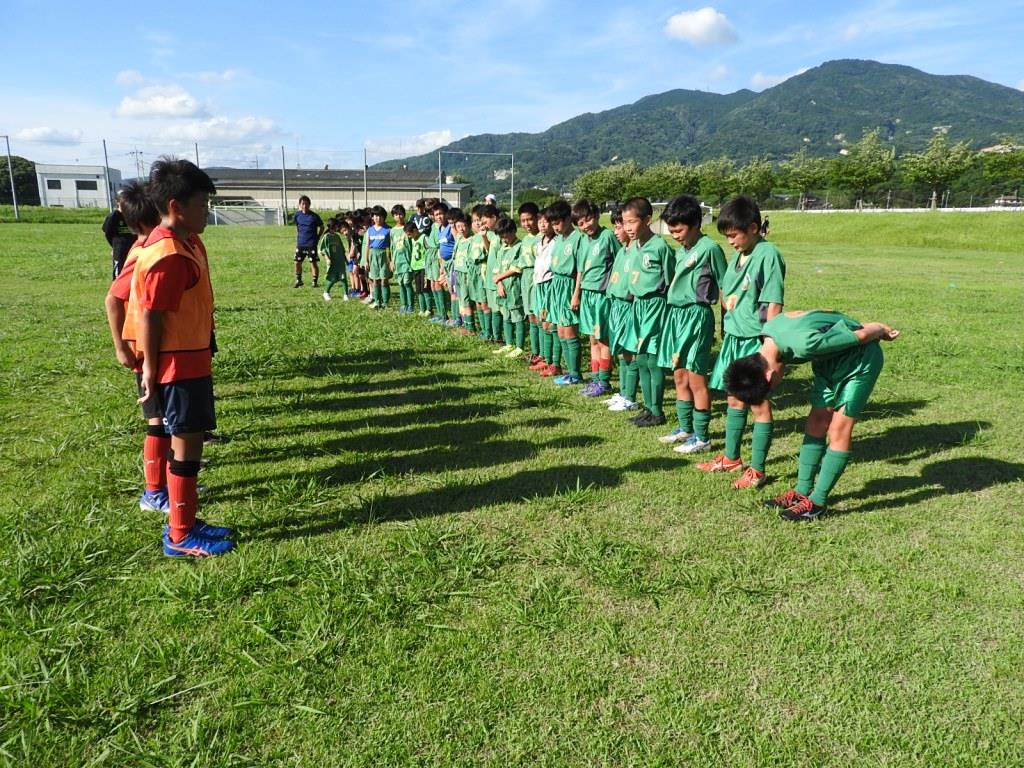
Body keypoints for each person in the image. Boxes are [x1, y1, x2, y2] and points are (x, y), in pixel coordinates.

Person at [122, 158, 233, 557]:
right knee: (187, 447)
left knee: (186, 442)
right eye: (201, 203)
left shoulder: (174, 242)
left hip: (189, 360)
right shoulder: (168, 254)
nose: (207, 211)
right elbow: (151, 314)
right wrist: (150, 369)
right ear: (175, 206)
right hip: (178, 365)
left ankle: (184, 521)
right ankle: (181, 535)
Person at [724, 310, 900, 520]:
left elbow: (861, 336)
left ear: (769, 375)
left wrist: (880, 328)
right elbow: (822, 318)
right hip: (827, 360)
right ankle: (801, 491)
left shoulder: (804, 345)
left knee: (838, 428)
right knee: (815, 422)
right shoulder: (770, 330)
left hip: (859, 362)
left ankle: (817, 502)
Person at [696, 195, 786, 489]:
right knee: (733, 398)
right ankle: (732, 458)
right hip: (734, 338)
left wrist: (770, 349)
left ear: (754, 227)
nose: (731, 242)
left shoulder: (768, 254)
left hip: (755, 341)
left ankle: (757, 470)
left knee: (757, 404)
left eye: (734, 235)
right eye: (727, 237)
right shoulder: (737, 256)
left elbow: (773, 304)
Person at [104, 181, 166, 511]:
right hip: (143, 349)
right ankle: (154, 493)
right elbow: (113, 299)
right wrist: (120, 347)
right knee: (157, 419)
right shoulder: (142, 251)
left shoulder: (152, 245)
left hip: (159, 345)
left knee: (166, 419)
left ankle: (167, 480)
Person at [656, 194, 727, 452]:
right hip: (676, 316)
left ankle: (703, 437)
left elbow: (725, 286)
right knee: (679, 375)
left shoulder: (710, 249)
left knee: (697, 378)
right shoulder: (682, 250)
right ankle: (685, 428)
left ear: (697, 223)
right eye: (671, 230)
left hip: (696, 316)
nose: (675, 235)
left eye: (679, 230)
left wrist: (725, 322)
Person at [618, 197, 675, 426]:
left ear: (647, 220)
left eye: (632, 222)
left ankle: (658, 411)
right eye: (624, 222)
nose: (628, 228)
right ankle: (648, 408)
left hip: (656, 306)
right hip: (638, 306)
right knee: (640, 359)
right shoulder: (635, 247)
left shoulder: (660, 247)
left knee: (653, 360)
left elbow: (671, 282)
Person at [574, 199, 621, 397]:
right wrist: (576, 293)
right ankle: (595, 379)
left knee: (603, 340)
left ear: (595, 216)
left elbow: (620, 261)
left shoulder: (608, 237)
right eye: (581, 224)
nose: (586, 227)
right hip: (587, 295)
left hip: (602, 295)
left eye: (588, 220)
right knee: (592, 339)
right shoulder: (583, 240)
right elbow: (580, 270)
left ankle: (604, 380)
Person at [545, 200, 586, 385]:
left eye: (558, 223)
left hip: (569, 286)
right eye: (552, 224)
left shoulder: (578, 239)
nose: (555, 227)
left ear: (569, 219)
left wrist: (576, 293)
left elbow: (580, 270)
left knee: (570, 332)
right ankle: (569, 372)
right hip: (557, 285)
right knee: (560, 331)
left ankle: (576, 374)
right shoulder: (558, 239)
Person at [603, 208, 640, 411]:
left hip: (628, 306)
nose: (617, 231)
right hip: (616, 305)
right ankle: (623, 392)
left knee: (629, 351)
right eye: (616, 227)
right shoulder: (622, 250)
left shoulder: (637, 250)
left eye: (620, 227)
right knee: (619, 350)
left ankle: (630, 396)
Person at [529, 208, 561, 377]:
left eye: (546, 221)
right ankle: (546, 358)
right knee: (542, 321)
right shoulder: (538, 242)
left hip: (550, 284)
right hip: (539, 284)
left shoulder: (557, 242)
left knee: (551, 323)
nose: (542, 224)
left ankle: (555, 363)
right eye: (540, 221)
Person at [491, 216, 526, 357]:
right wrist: (499, 283)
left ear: (514, 231)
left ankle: (519, 346)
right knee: (506, 315)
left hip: (514, 287)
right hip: (503, 288)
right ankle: (509, 343)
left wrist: (499, 277)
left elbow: (517, 267)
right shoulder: (502, 249)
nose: (504, 239)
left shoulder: (520, 246)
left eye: (506, 236)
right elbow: (496, 270)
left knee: (517, 316)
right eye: (502, 237)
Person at [517, 203, 541, 364]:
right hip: (525, 277)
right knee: (530, 316)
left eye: (530, 219)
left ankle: (543, 353)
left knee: (539, 317)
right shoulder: (525, 239)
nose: (527, 224)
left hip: (536, 277)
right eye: (523, 221)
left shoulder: (543, 237)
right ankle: (535, 351)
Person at [450, 209, 476, 334]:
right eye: (459, 226)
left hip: (466, 274)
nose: (461, 229)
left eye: (464, 226)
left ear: (469, 226)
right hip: (458, 272)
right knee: (461, 299)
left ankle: (470, 328)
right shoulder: (459, 239)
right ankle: (466, 324)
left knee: (466, 301)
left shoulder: (472, 240)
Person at [103, 190, 138, 279]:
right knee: (119, 271)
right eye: (123, 201)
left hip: (133, 248)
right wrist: (114, 247)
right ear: (117, 202)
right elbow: (108, 233)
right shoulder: (113, 217)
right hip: (119, 250)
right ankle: (116, 288)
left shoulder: (132, 215)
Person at [292, 195, 324, 288]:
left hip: (311, 244)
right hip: (301, 243)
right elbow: (297, 226)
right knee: (297, 262)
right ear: (300, 205)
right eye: (303, 204)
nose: (304, 205)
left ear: (309, 204)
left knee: (313, 262)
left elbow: (322, 226)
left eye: (306, 203)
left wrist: (318, 237)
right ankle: (298, 280)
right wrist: (298, 236)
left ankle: (314, 281)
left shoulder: (314, 216)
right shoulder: (297, 215)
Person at [430, 202, 453, 324]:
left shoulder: (451, 227)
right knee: (441, 286)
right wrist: (442, 266)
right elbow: (442, 248)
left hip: (453, 263)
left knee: (452, 291)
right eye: (436, 214)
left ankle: (456, 318)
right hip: (444, 263)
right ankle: (442, 314)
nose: (439, 217)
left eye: (441, 214)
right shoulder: (439, 228)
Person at [365, 206, 392, 309]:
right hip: (373, 255)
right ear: (372, 217)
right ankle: (377, 301)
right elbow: (367, 245)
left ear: (384, 217)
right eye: (375, 216)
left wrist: (390, 260)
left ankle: (385, 302)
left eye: (380, 216)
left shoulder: (388, 229)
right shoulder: (370, 230)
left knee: (384, 279)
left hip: (384, 255)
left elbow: (391, 246)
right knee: (375, 279)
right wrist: (366, 260)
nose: (378, 218)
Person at [318, 217, 349, 301]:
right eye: (337, 226)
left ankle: (346, 295)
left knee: (343, 278)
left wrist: (346, 259)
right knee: (332, 278)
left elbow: (342, 249)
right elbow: (322, 250)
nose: (338, 228)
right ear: (333, 226)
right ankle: (326, 292)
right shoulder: (326, 237)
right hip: (332, 262)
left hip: (340, 261)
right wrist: (327, 258)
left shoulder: (337, 236)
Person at [395, 221, 418, 313]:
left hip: (407, 263)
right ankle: (403, 304)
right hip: (398, 262)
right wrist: (392, 261)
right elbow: (392, 247)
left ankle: (410, 305)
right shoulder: (393, 231)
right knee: (401, 284)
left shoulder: (410, 235)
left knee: (407, 283)